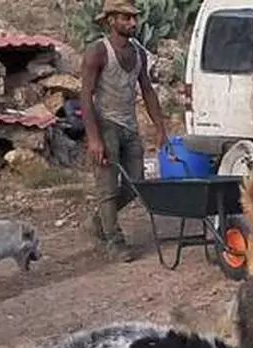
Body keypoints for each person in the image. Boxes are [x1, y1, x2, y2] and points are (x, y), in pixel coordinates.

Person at [80, 0, 168, 262]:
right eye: (126, 18)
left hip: (129, 125)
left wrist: (160, 128)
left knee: (136, 185)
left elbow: (147, 90)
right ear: (111, 21)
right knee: (107, 187)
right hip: (105, 124)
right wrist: (94, 138)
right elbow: (85, 96)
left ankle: (98, 221)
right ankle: (114, 241)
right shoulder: (98, 52)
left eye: (134, 18)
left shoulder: (138, 52)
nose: (133, 23)